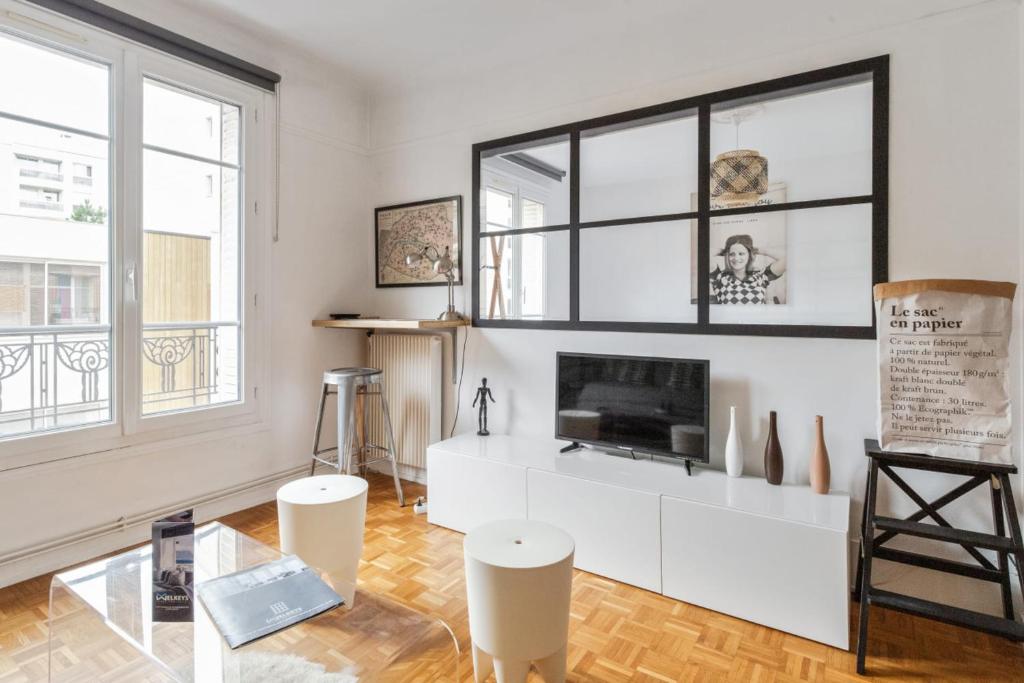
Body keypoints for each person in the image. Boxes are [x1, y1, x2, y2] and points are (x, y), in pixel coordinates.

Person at [709, 233, 786, 305]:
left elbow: (788, 259)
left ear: (749, 255)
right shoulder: (719, 278)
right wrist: (724, 251)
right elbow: (705, 254)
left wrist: (759, 250)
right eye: (732, 254)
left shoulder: (761, 276)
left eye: (741, 254)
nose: (736, 258)